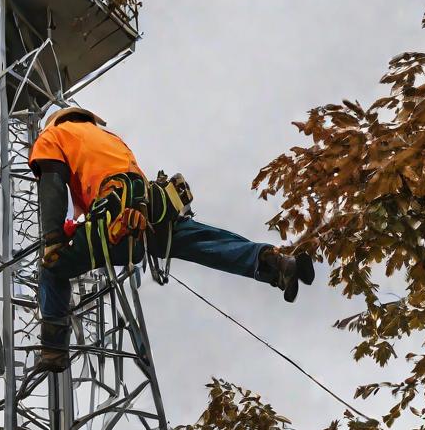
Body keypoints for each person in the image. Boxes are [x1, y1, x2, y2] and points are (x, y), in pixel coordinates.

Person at [28, 107, 314, 371]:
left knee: (53, 266)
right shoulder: (108, 138)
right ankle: (276, 263)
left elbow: (52, 185)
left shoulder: (53, 136)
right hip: (151, 204)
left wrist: (53, 239)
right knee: (202, 241)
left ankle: (54, 350)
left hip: (117, 212)